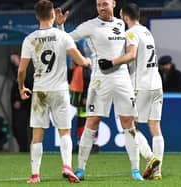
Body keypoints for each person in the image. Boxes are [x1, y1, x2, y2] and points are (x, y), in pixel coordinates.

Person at [55, 0, 143, 181]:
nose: (101, 7)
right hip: (99, 80)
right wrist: (61, 26)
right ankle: (80, 169)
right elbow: (66, 42)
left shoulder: (121, 24)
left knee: (128, 122)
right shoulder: (89, 26)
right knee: (92, 122)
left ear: (113, 4)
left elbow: (130, 49)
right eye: (98, 4)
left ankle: (135, 170)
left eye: (105, 4)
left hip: (122, 78)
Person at [18, 0, 90, 184]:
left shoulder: (30, 39)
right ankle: (67, 166)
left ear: (36, 16)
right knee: (64, 131)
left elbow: (21, 70)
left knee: (37, 135)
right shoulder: (62, 36)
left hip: (40, 91)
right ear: (52, 15)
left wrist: (21, 87)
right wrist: (88, 61)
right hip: (59, 90)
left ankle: (35, 175)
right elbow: (80, 61)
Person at [98, 3, 165, 180]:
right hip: (156, 84)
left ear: (125, 16)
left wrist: (111, 62)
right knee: (155, 127)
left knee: (128, 124)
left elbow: (132, 54)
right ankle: (157, 171)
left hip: (140, 85)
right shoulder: (146, 31)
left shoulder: (131, 33)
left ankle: (150, 157)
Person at [10, 53, 33, 152]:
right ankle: (22, 148)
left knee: (22, 128)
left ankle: (25, 149)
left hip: (24, 107)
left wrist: (21, 101)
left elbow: (28, 89)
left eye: (14, 59)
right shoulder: (15, 72)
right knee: (17, 129)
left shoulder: (25, 73)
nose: (13, 62)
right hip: (18, 107)